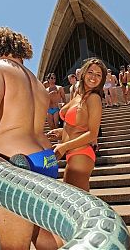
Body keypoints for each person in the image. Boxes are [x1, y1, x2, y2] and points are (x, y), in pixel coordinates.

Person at [0, 27, 61, 250]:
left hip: (12, 164)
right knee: (43, 236)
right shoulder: (38, 84)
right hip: (45, 161)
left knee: (14, 247)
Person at [47, 57, 107, 191]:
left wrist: (64, 146)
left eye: (98, 75)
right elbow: (77, 126)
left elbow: (92, 134)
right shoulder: (78, 96)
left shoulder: (94, 98)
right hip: (73, 154)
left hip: (81, 154)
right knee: (72, 204)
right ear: (84, 73)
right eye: (91, 72)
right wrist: (61, 132)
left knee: (78, 205)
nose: (94, 77)